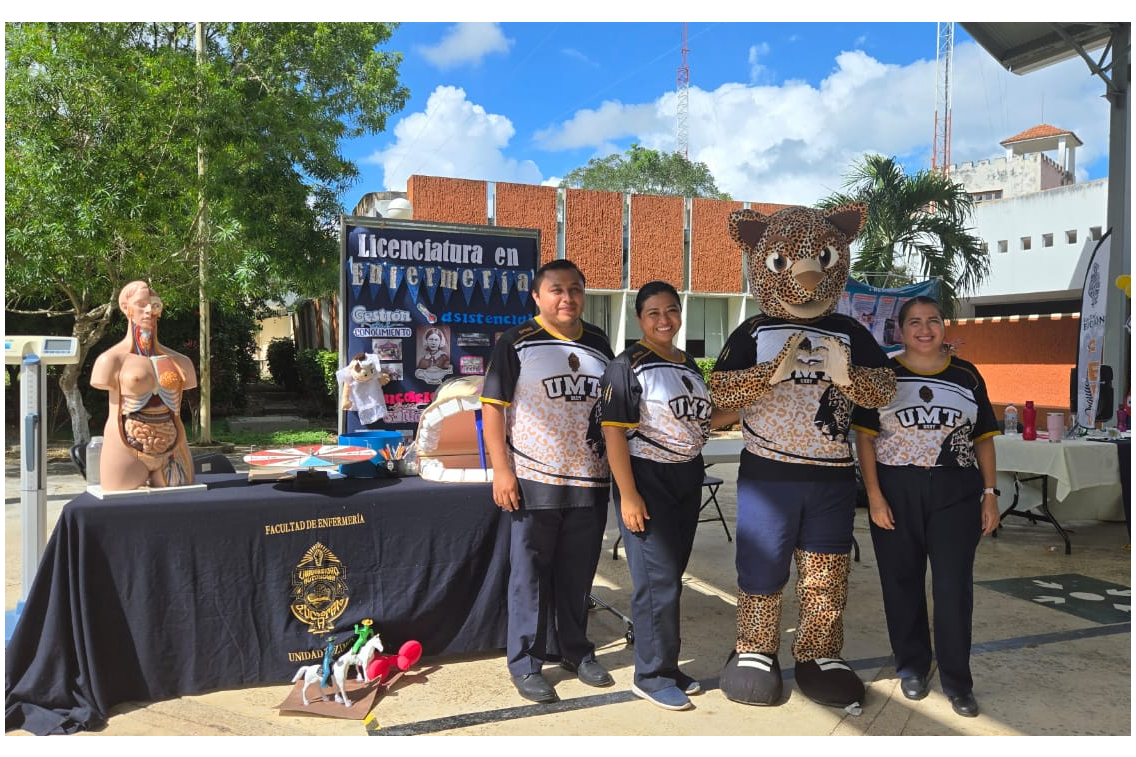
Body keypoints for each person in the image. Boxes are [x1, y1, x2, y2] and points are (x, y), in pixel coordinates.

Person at [852, 296, 1001, 719]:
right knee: (901, 582)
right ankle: (912, 666)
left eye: (932, 321)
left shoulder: (967, 375)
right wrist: (875, 496)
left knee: (954, 588)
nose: (924, 329)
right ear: (899, 329)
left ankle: (958, 681)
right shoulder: (882, 376)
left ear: (943, 326)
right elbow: (864, 439)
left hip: (956, 491)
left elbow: (983, 439)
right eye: (914, 322)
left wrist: (990, 494)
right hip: (896, 489)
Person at [594, 281, 738, 711]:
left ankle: (668, 666)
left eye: (671, 311)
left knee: (670, 577)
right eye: (654, 312)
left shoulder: (689, 364)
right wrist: (629, 495)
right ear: (640, 319)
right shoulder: (627, 365)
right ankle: (650, 675)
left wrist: (751, 405)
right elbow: (613, 432)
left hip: (686, 476)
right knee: (655, 580)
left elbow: (707, 418)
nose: (664, 320)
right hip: (646, 477)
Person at [480, 259, 615, 705]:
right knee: (530, 576)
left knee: (577, 575)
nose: (567, 297)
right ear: (538, 296)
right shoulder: (515, 342)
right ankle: (526, 661)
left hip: (590, 479)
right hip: (534, 477)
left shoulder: (598, 343)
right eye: (556, 289)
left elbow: (613, 410)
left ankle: (576, 651)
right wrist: (502, 470)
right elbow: (493, 410)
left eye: (575, 288)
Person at [91, 281, 197, 491]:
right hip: (124, 446)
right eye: (141, 304)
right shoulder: (111, 361)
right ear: (126, 308)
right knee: (120, 511)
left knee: (182, 507)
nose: (149, 310)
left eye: (154, 305)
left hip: (173, 446)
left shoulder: (180, 362)